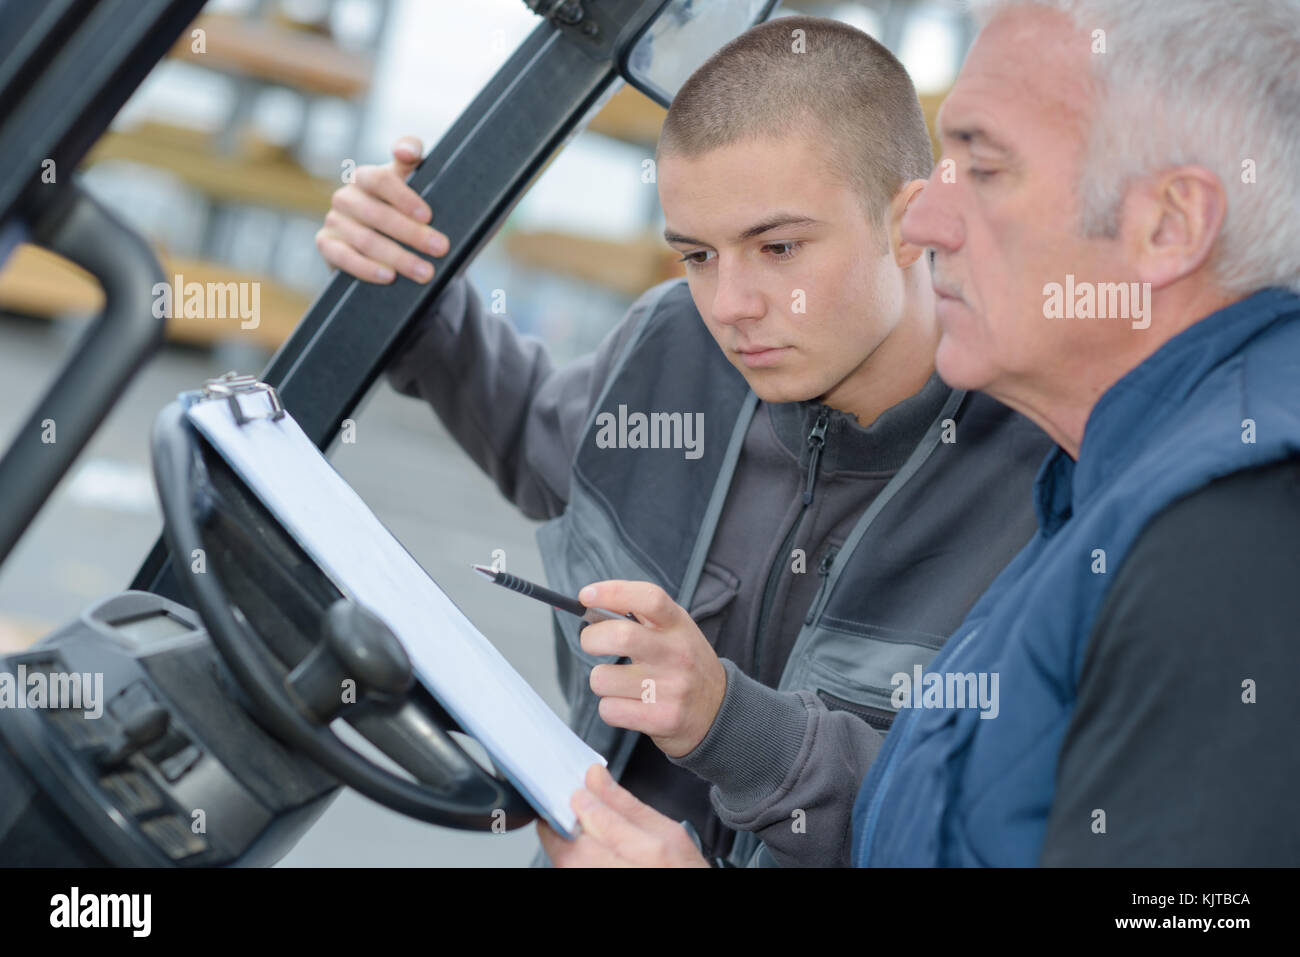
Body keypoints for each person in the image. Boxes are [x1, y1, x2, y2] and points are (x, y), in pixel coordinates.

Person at [542, 0, 1300, 867]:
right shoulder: (1103, 492)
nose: (928, 223)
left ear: (1169, 225)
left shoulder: (1243, 537)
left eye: (982, 165)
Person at [316, 16, 1051, 867]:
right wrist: (406, 278)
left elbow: (991, 830)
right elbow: (539, 443)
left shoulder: (1040, 475)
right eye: (697, 254)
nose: (731, 304)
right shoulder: (674, 349)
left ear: (909, 223)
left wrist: (729, 724)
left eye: (778, 247)